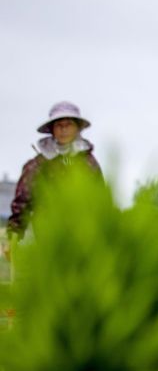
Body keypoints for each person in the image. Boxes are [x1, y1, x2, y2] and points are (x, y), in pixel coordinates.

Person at [6, 101, 103, 256]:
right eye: (59, 125)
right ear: (52, 130)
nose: (64, 130)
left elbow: (100, 201)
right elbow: (22, 203)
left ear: (77, 128)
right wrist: (13, 237)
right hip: (44, 238)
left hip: (83, 240)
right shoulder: (37, 165)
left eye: (68, 124)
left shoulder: (89, 164)